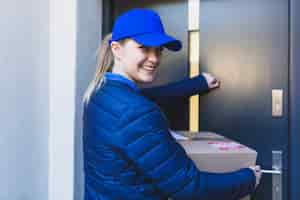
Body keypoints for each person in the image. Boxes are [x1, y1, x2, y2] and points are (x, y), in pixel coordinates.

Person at [82, 8, 261, 200]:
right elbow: (190, 187)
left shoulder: (101, 92)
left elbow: (153, 96)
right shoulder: (135, 111)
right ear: (117, 49)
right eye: (144, 47)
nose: (154, 58)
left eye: (159, 50)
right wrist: (248, 178)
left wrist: (198, 83)